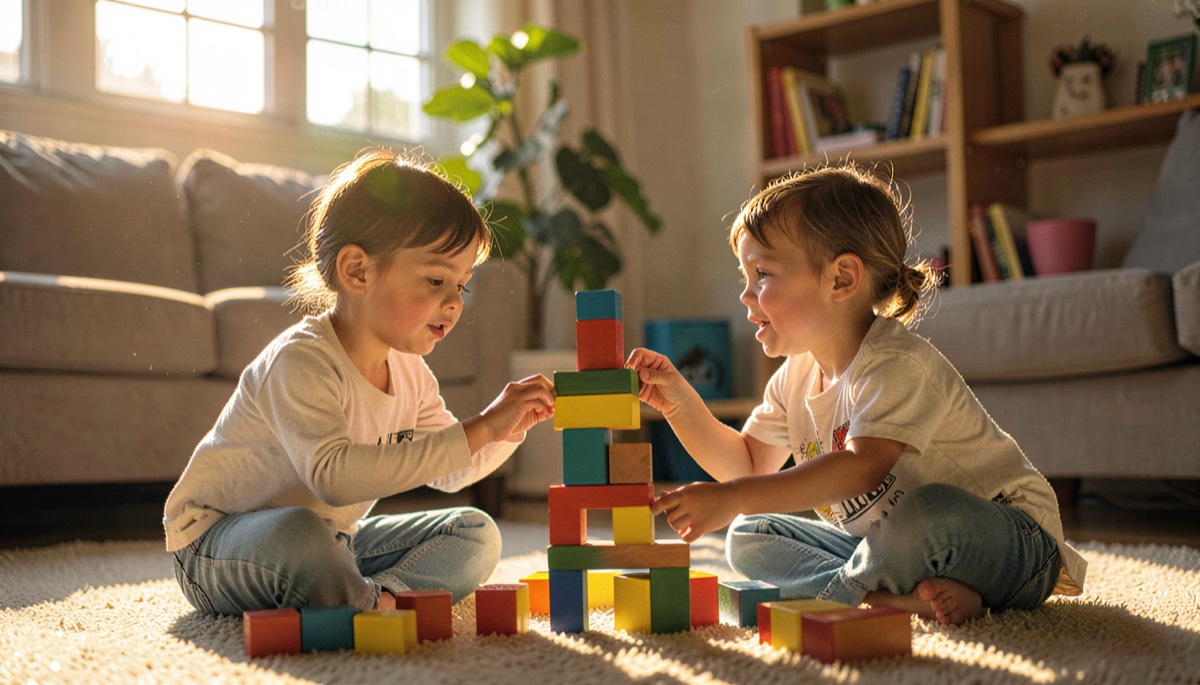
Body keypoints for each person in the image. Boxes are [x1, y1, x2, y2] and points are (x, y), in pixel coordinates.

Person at [627, 164, 1086, 625]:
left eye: (762, 274)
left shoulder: (896, 363)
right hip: (885, 548)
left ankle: (847, 591)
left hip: (1011, 540)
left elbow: (862, 469)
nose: (746, 295)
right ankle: (888, 595)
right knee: (749, 531)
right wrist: (680, 402)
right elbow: (746, 464)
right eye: (745, 277)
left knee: (926, 511)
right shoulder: (794, 376)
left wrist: (734, 497)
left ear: (842, 279)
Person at [163, 149, 556, 616]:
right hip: (218, 545)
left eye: (462, 285)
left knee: (475, 531)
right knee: (302, 536)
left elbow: (451, 469)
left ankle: (380, 599)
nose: (455, 303)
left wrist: (509, 428)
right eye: (436, 280)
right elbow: (335, 479)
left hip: (334, 539)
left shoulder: (410, 373)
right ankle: (360, 599)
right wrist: (483, 426)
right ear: (357, 271)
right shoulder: (301, 360)